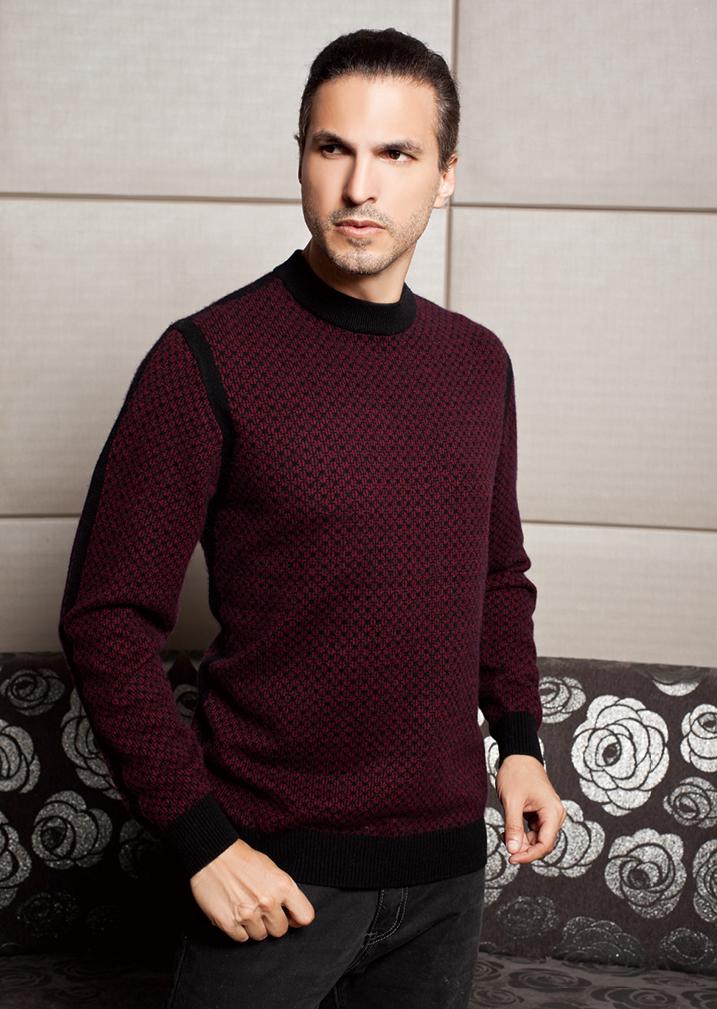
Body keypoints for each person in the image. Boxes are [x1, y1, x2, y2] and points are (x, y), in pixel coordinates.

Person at [57, 26, 566, 1009]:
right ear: (300, 157)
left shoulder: (478, 363)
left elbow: (497, 573)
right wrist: (201, 840)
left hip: (446, 876)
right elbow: (104, 616)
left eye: (397, 154)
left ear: (446, 177)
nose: (359, 187)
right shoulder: (204, 358)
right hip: (268, 873)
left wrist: (518, 741)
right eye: (334, 148)